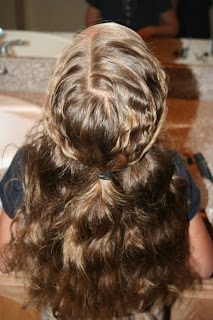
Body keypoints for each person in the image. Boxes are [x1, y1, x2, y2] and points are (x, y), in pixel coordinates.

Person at [0, 23, 213, 320]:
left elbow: (6, 259)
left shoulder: (29, 167)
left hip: (63, 311)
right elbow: (203, 266)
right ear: (152, 111)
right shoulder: (171, 170)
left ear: (54, 105)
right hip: (139, 311)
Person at [85, 0, 179, 40]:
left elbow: (173, 28)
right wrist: (108, 32)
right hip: (111, 46)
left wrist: (151, 31)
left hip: (146, 47)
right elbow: (90, 24)